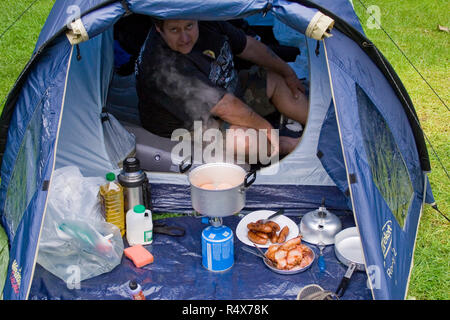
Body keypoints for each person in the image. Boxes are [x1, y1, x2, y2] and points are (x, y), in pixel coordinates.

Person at [136, 19, 308, 162]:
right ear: (159, 28)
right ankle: (291, 145)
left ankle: (319, 125)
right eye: (174, 30)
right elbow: (225, 106)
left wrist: (288, 72)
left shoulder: (208, 19)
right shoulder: (163, 65)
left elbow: (248, 46)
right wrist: (266, 128)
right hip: (190, 124)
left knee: (277, 79)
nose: (185, 37)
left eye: (189, 26)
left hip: (223, 90)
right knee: (248, 142)